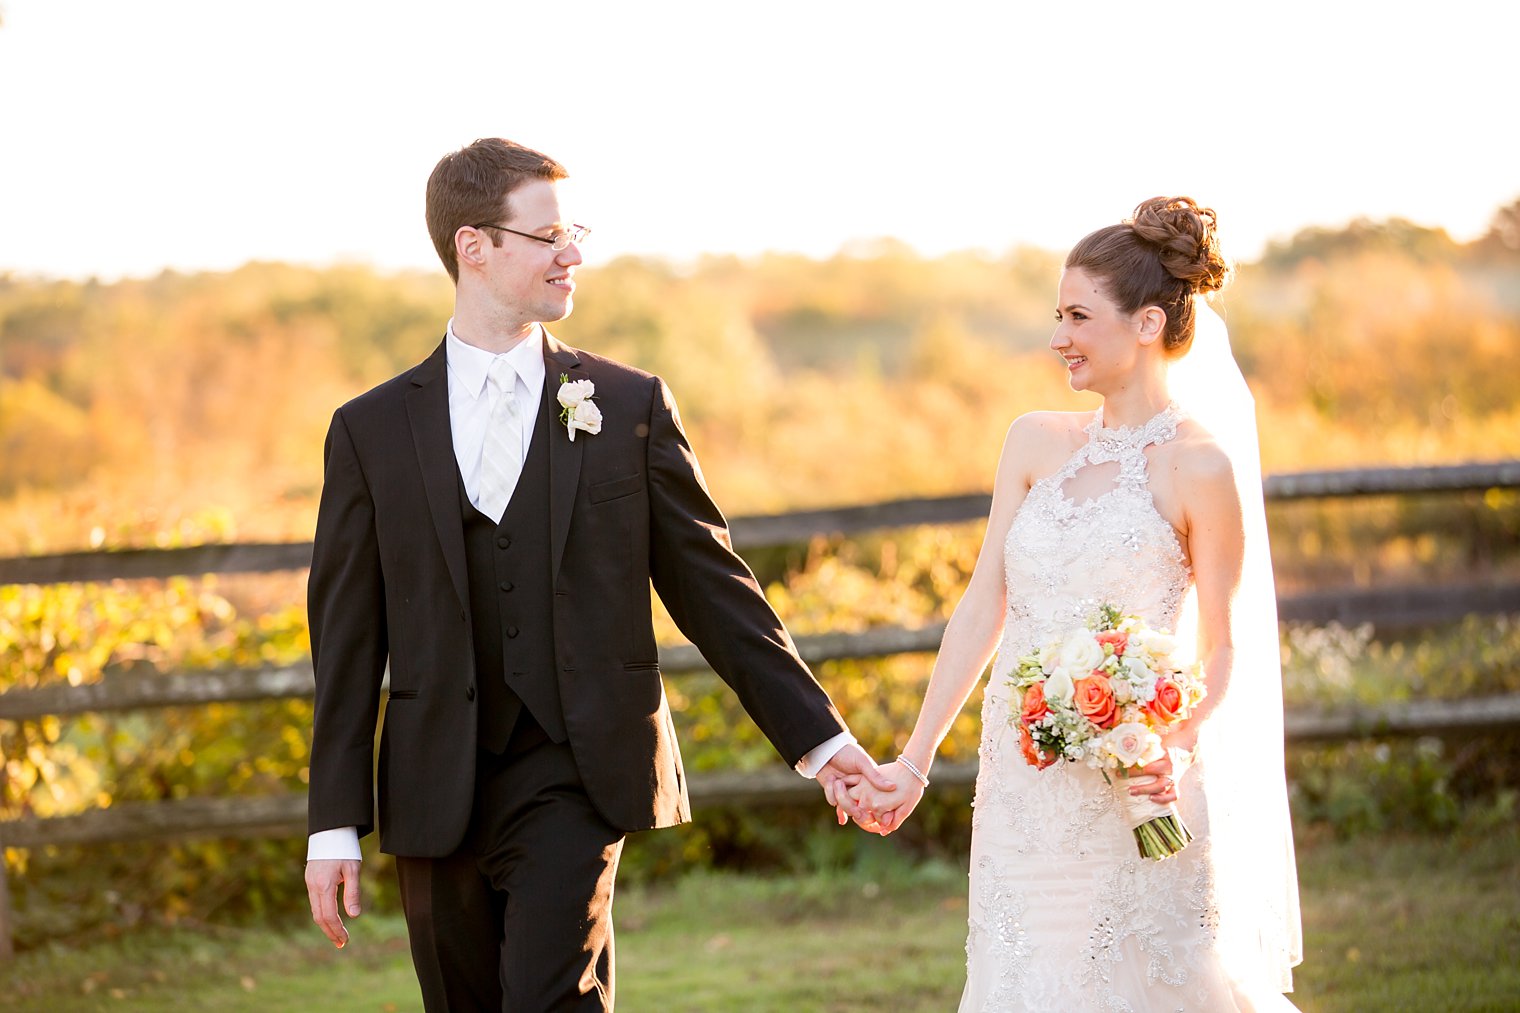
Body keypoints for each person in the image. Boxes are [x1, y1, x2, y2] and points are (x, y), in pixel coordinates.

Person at [301, 137, 892, 1011]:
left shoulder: (627, 405)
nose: (573, 253)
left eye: (573, 230)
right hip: (435, 787)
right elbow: (346, 642)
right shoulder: (371, 430)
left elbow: (715, 589)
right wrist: (332, 823)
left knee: (553, 999)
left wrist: (824, 741)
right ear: (475, 246)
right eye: (547, 236)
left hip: (578, 773)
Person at [848, 198, 1303, 1010]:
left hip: (1138, 788)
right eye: (1057, 313)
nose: (1059, 335)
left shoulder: (1201, 468)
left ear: (1148, 323)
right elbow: (984, 602)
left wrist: (1171, 742)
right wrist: (913, 761)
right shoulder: (1032, 440)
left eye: (1079, 316)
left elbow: (1225, 648)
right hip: (1023, 787)